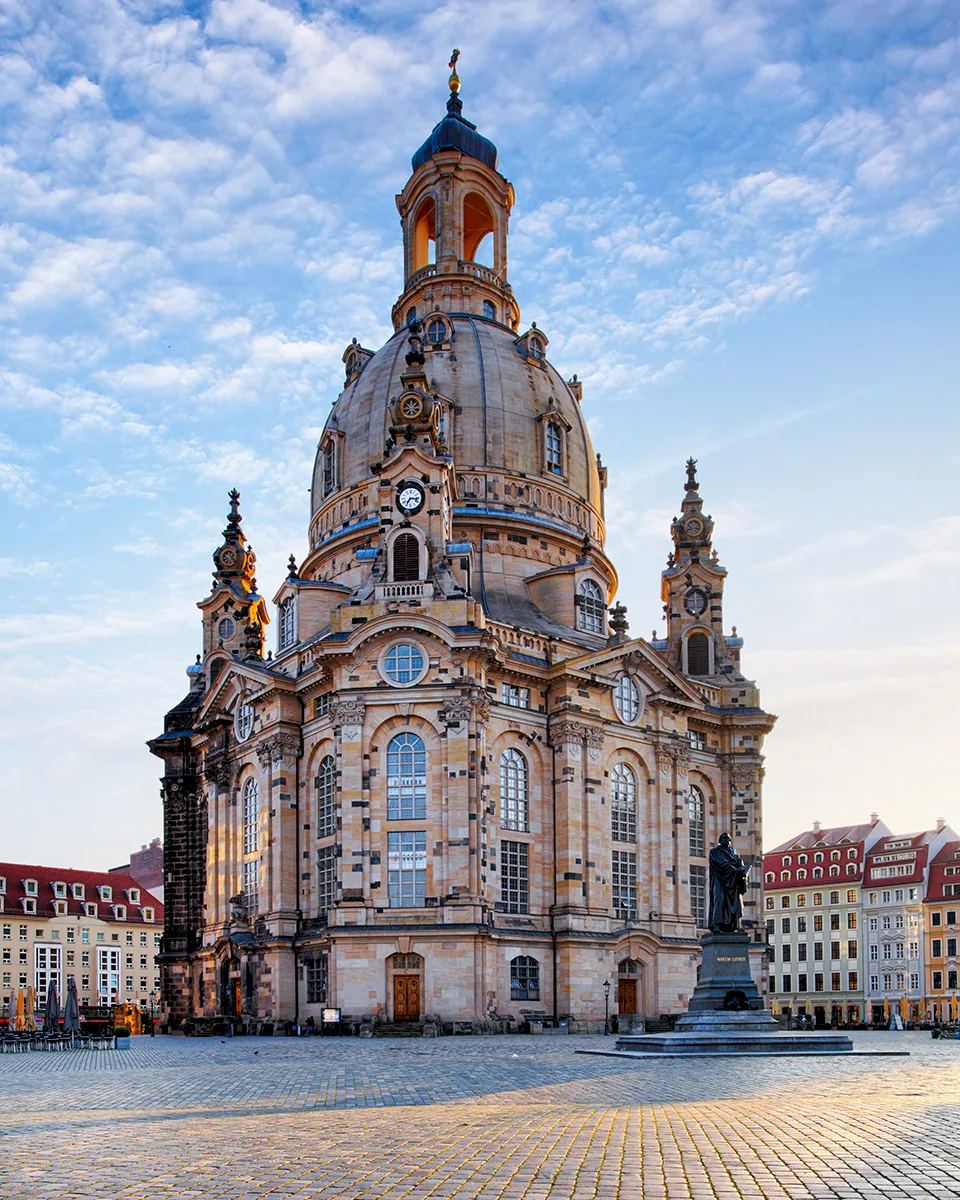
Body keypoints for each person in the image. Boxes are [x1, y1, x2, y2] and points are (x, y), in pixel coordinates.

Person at [708, 832, 749, 933]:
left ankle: (733, 924)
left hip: (733, 882)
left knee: (735, 902)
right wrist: (735, 870)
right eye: (723, 838)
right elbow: (721, 864)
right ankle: (717, 923)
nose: (726, 840)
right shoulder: (715, 852)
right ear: (720, 841)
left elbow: (740, 864)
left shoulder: (734, 853)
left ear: (730, 841)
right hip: (720, 880)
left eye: (727, 838)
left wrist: (744, 872)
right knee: (719, 899)